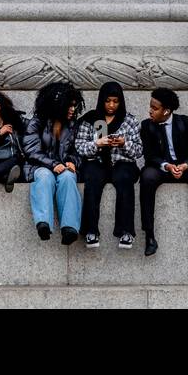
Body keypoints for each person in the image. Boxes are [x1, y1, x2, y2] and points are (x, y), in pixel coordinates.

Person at [139, 88, 188, 256]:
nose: (150, 111)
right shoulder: (147, 125)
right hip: (162, 168)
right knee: (147, 178)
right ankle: (149, 236)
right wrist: (167, 166)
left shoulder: (185, 122)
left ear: (166, 111)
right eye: (150, 106)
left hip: (185, 167)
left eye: (155, 108)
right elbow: (149, 156)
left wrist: (184, 166)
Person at [75, 81, 144, 249]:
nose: (111, 105)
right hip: (97, 162)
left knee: (124, 179)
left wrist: (123, 143)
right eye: (107, 101)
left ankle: (126, 232)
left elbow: (139, 151)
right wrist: (97, 144)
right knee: (92, 180)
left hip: (123, 163)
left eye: (115, 101)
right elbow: (79, 147)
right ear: (101, 100)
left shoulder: (129, 121)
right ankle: (91, 231)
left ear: (121, 102)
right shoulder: (91, 119)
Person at [23, 81, 84, 244]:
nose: (73, 109)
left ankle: (70, 228)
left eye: (74, 105)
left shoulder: (73, 126)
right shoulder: (37, 123)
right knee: (44, 177)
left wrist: (72, 162)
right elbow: (31, 150)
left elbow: (78, 151)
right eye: (69, 105)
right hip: (39, 167)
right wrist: (52, 164)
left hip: (62, 168)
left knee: (68, 178)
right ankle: (43, 223)